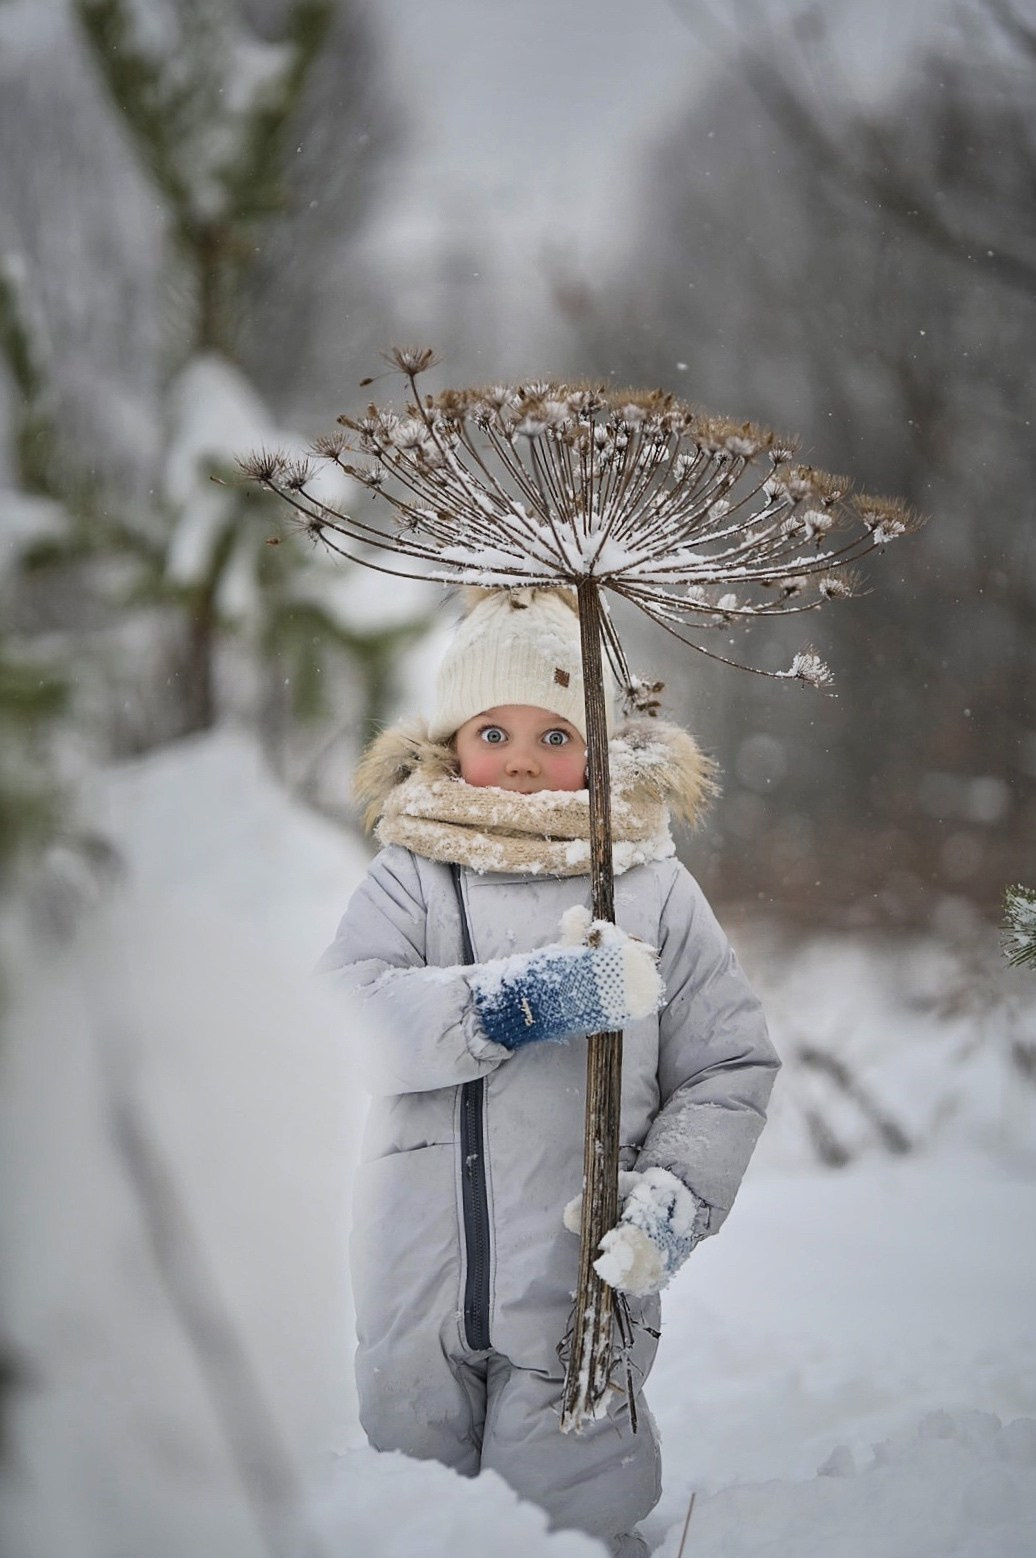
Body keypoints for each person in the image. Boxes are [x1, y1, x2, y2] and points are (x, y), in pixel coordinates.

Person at [321, 586, 779, 1558]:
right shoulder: (412, 873)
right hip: (417, 1286)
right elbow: (348, 1014)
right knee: (416, 1521)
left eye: (554, 732)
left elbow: (728, 1061)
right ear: (450, 741)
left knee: (568, 1516)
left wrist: (670, 1200)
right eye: (493, 729)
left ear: (600, 746)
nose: (522, 757)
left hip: (578, 1292)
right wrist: (511, 1004)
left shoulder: (648, 883)